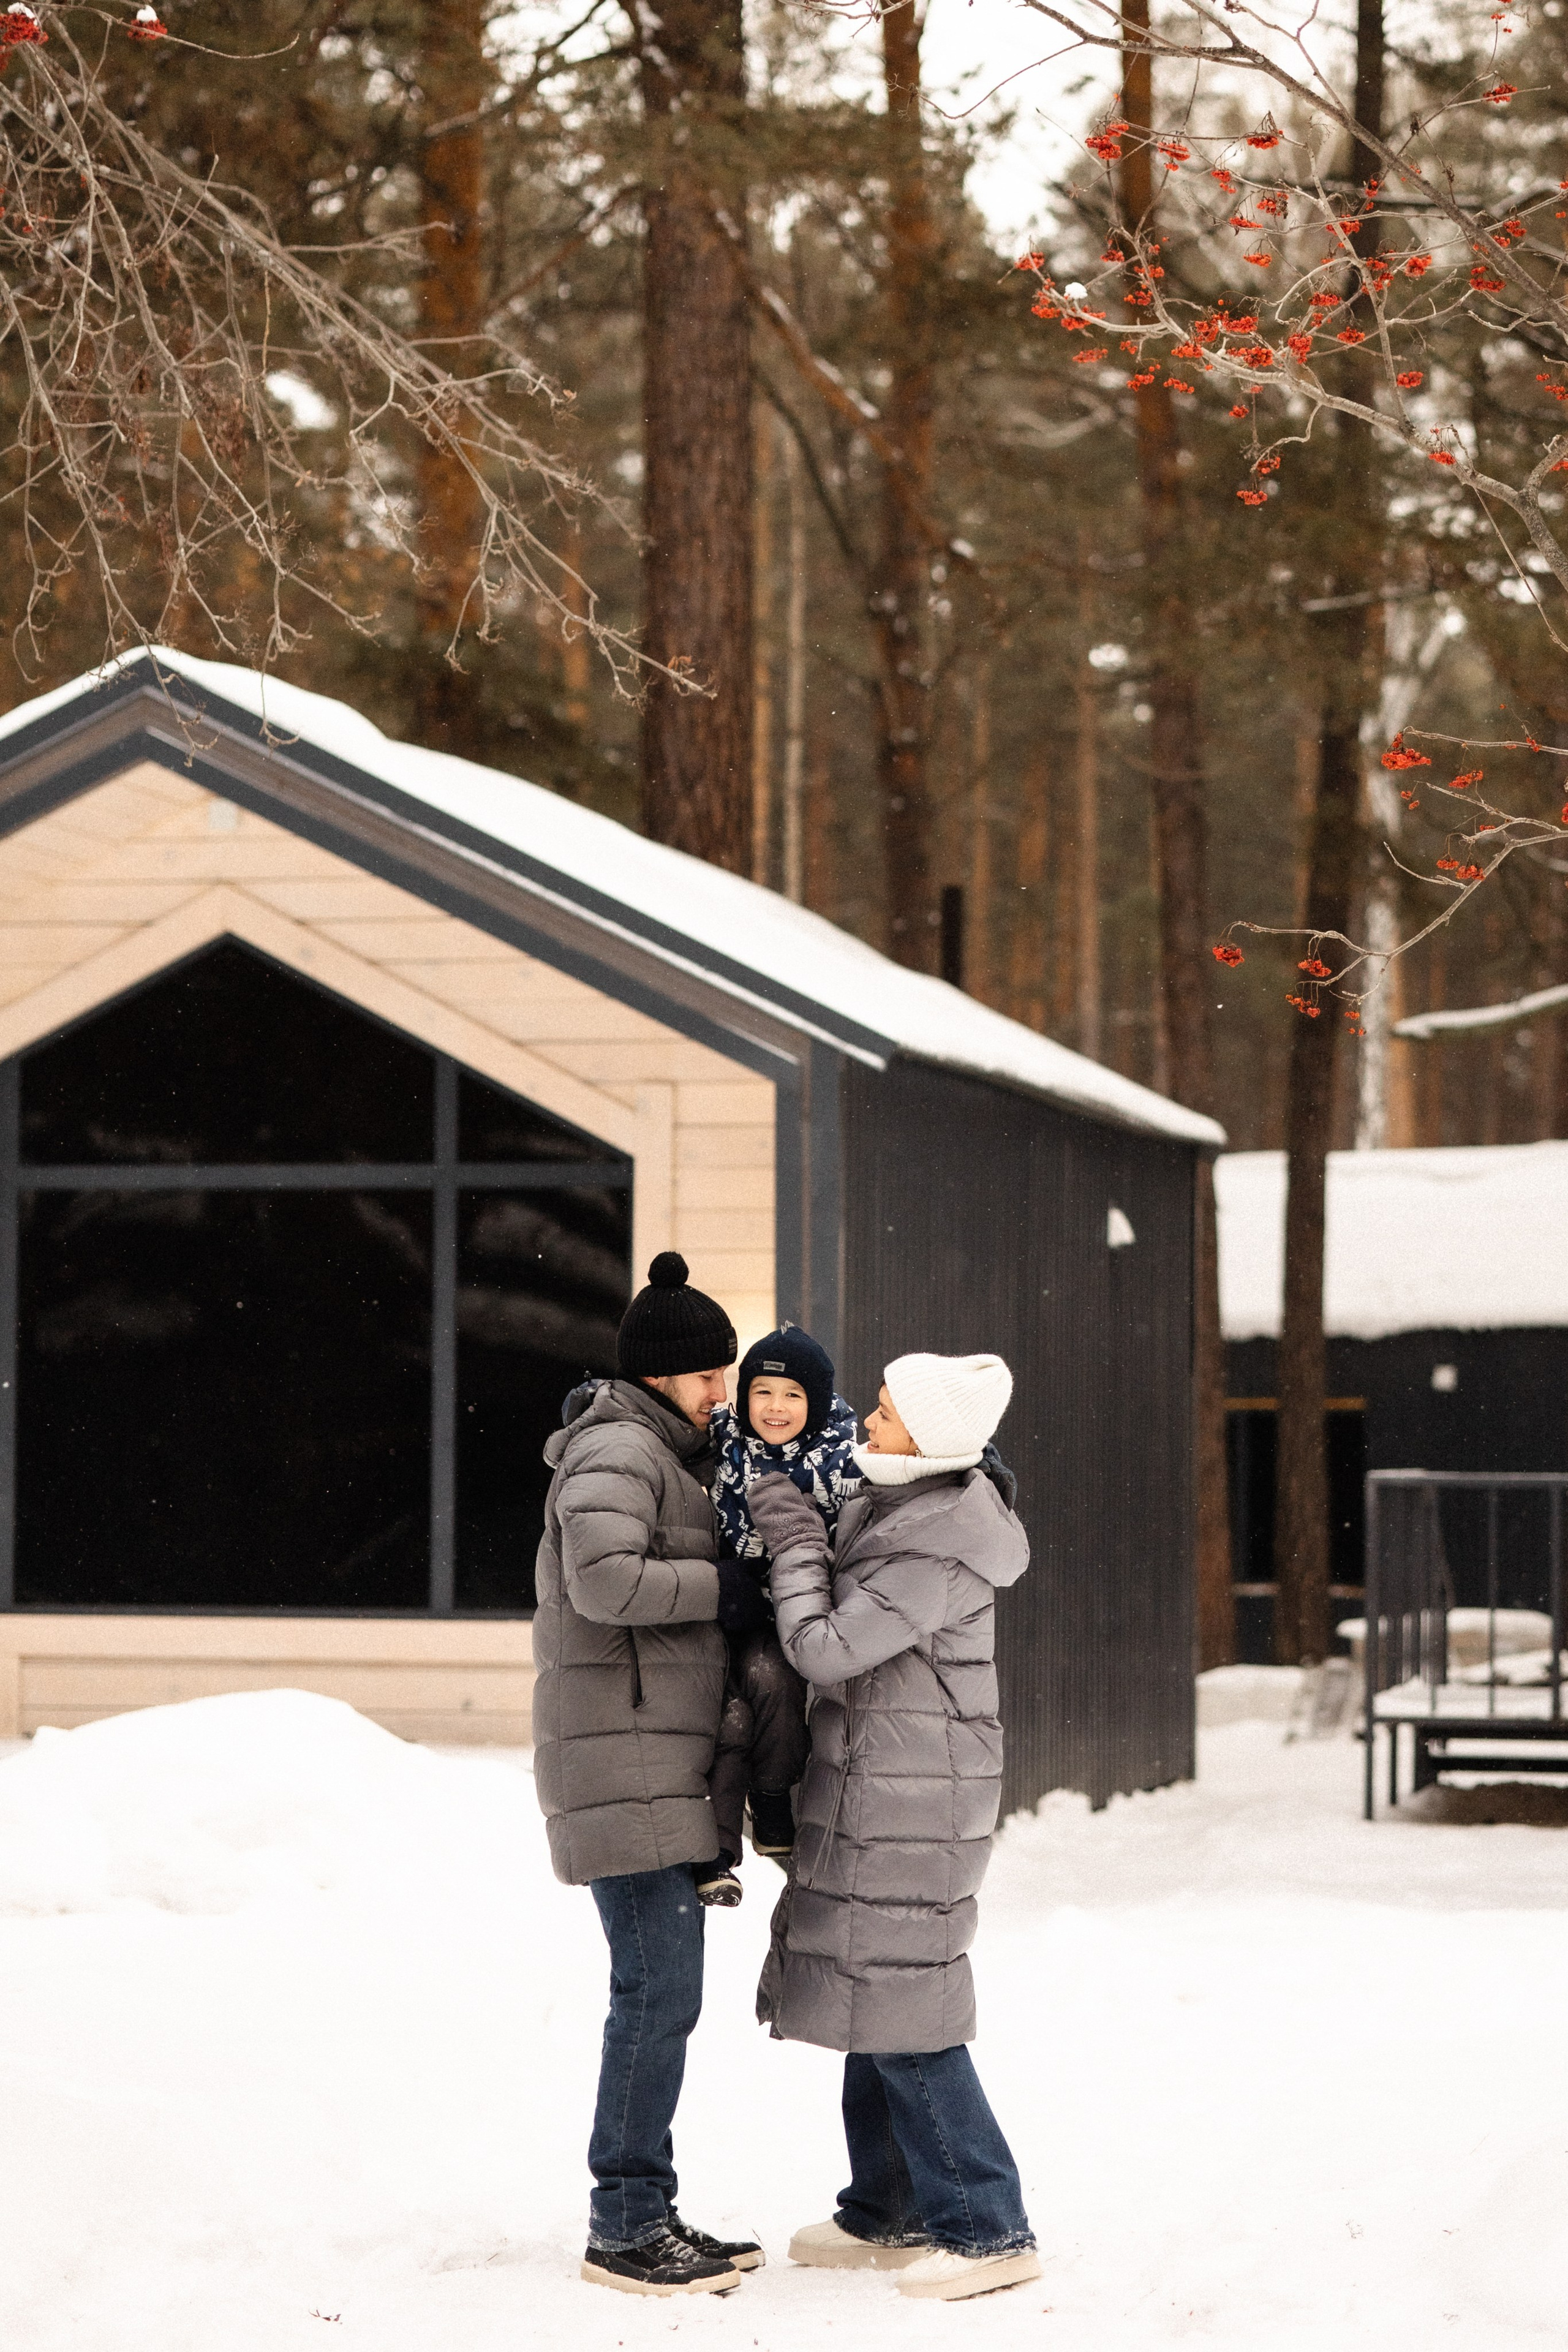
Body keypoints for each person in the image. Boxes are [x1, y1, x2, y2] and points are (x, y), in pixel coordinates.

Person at [748, 1350, 1042, 2305]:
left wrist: (793, 1546)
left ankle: (989, 2225)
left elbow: (827, 1650)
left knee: (908, 2003)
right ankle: (888, 2208)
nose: (866, 1421)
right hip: (886, 1783)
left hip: (917, 1797)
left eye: (884, 1412)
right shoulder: (899, 1507)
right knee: (877, 1989)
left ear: (931, 1439)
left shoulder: (939, 1541)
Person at [532, 1250, 767, 2299]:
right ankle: (625, 2223)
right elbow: (606, 1579)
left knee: (661, 1995)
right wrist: (728, 1587)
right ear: (665, 1373)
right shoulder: (618, 1453)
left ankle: (643, 2210)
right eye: (712, 1375)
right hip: (622, 1765)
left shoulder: (670, 1450)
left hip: (652, 1764)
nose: (725, 1394)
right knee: (655, 1994)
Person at [697, 1324, 862, 1905]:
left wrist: (973, 1468)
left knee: (771, 1686)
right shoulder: (724, 1435)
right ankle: (715, 1854)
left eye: (793, 1396)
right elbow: (660, 1426)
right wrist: (596, 1402)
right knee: (723, 1714)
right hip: (723, 1599)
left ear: (815, 1402)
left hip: (790, 1612)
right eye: (763, 1392)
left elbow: (900, 1481)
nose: (775, 1408)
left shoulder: (844, 1458)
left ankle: (771, 1798)